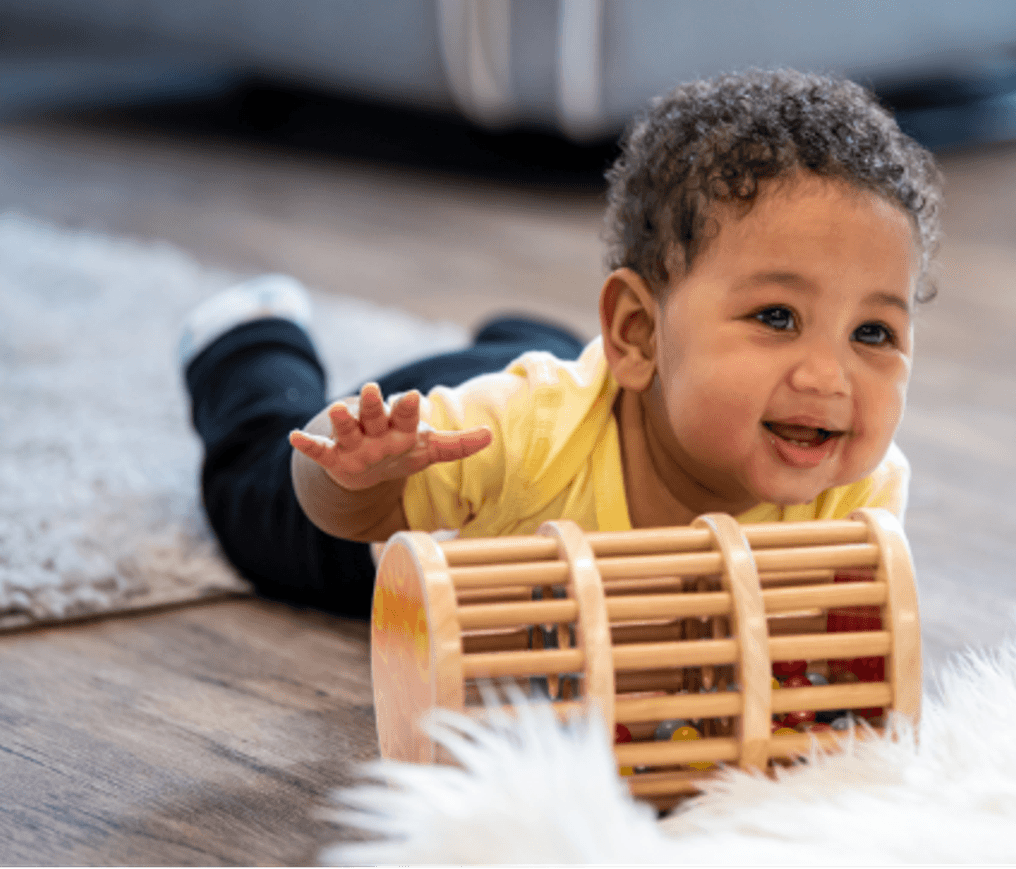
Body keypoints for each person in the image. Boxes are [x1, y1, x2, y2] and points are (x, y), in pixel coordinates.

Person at [182, 68, 942, 618]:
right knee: (260, 502)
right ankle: (252, 340)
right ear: (637, 331)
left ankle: (526, 336)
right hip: (430, 491)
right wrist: (357, 473)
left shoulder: (857, 493)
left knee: (583, 370)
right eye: (778, 316)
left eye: (873, 331)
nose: (827, 375)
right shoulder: (514, 434)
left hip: (617, 380)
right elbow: (342, 510)